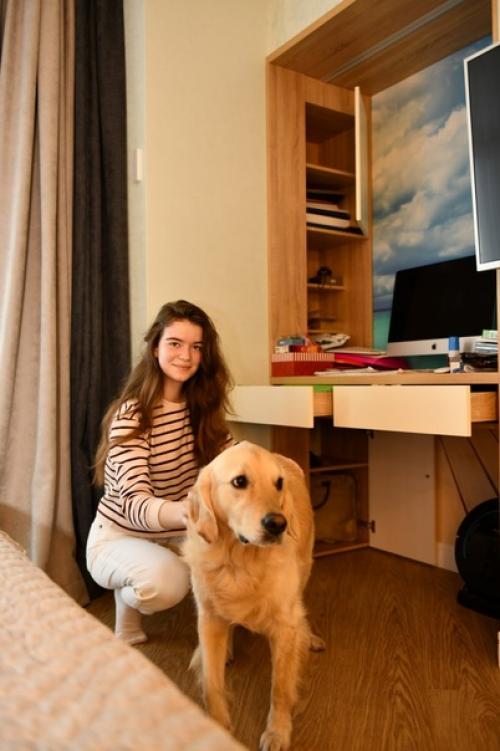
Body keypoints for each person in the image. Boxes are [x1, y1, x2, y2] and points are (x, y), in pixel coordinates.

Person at [86, 300, 233, 645]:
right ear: (155, 348)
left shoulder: (202, 410)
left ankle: (217, 638)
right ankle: (128, 594)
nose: (186, 356)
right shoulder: (132, 415)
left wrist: (273, 468)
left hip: (176, 533)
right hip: (119, 536)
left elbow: (231, 460)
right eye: (175, 343)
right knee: (168, 584)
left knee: (238, 553)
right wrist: (187, 512)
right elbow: (134, 503)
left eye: (196, 347)